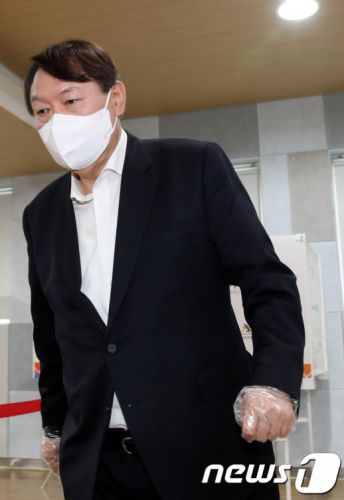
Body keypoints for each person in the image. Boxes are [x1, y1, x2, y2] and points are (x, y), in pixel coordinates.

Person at [21, 39, 305, 500]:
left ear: (115, 98)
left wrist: (273, 380)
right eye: (42, 111)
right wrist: (55, 424)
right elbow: (51, 332)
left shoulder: (192, 167)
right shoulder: (41, 214)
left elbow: (266, 280)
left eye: (70, 101)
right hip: (98, 460)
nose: (56, 122)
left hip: (208, 442)